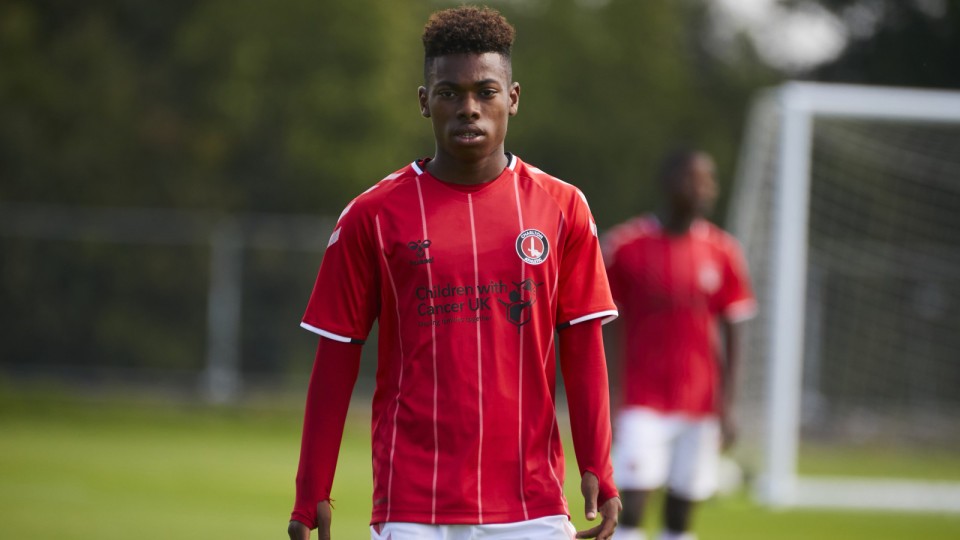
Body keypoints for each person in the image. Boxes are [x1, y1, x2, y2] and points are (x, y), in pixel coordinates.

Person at [287, 6, 622, 540]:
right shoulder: (372, 216)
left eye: (486, 92)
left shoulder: (562, 208)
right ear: (425, 102)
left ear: (513, 97)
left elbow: (582, 348)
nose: (469, 108)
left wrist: (598, 467)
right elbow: (335, 361)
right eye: (450, 93)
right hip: (411, 505)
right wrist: (311, 492)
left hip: (531, 504)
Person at [601, 149, 756, 540]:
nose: (705, 189)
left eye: (709, 181)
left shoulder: (723, 251)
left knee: (680, 515)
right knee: (631, 506)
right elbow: (603, 325)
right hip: (641, 400)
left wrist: (728, 404)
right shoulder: (625, 246)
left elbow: (734, 332)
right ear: (668, 183)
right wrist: (608, 393)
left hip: (700, 404)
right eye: (695, 179)